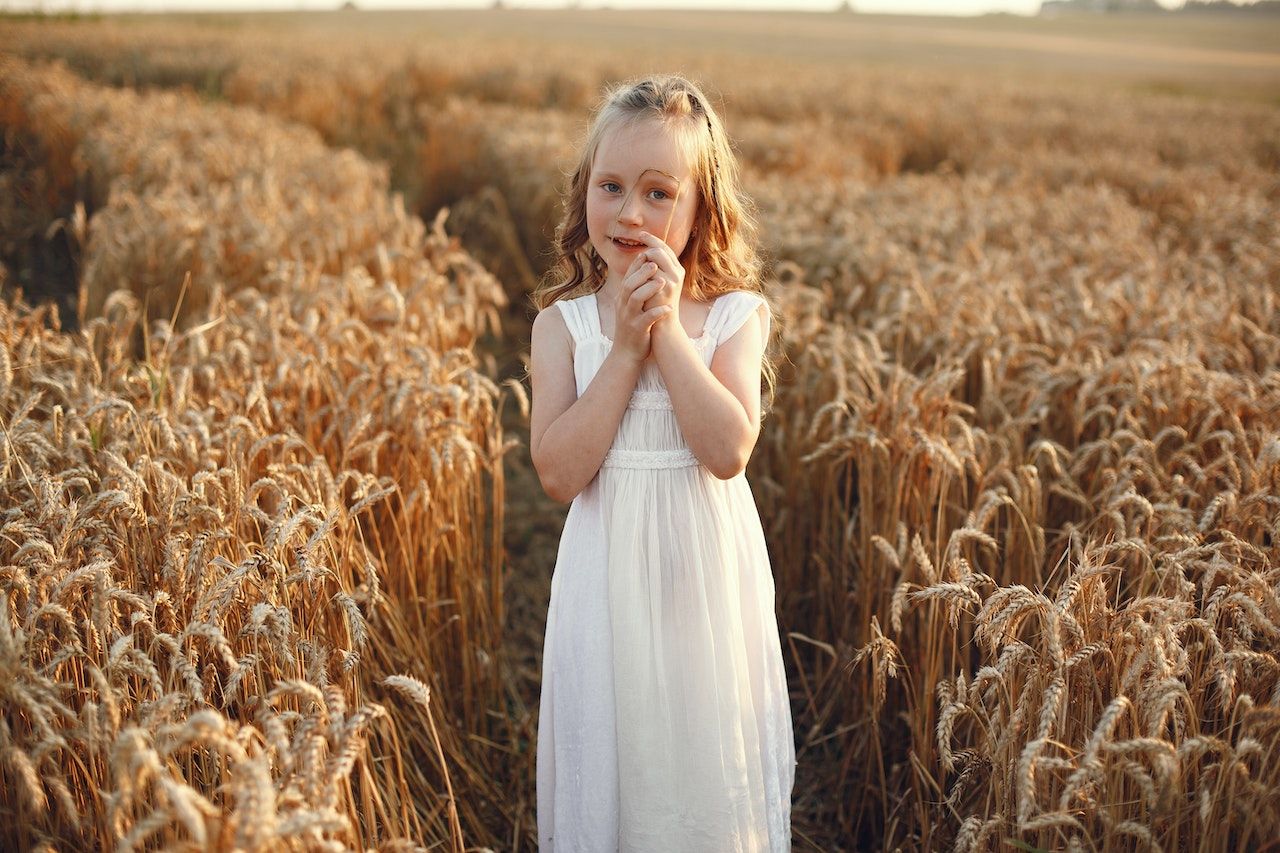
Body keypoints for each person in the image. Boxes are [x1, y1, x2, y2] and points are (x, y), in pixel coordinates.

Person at [528, 74, 796, 852]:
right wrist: (623, 349)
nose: (631, 213)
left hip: (704, 594)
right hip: (603, 588)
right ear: (585, 196)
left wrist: (669, 337)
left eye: (658, 193)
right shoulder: (563, 328)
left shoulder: (733, 318)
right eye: (611, 187)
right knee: (614, 759)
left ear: (700, 210)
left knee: (699, 763)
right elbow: (558, 473)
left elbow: (726, 450)